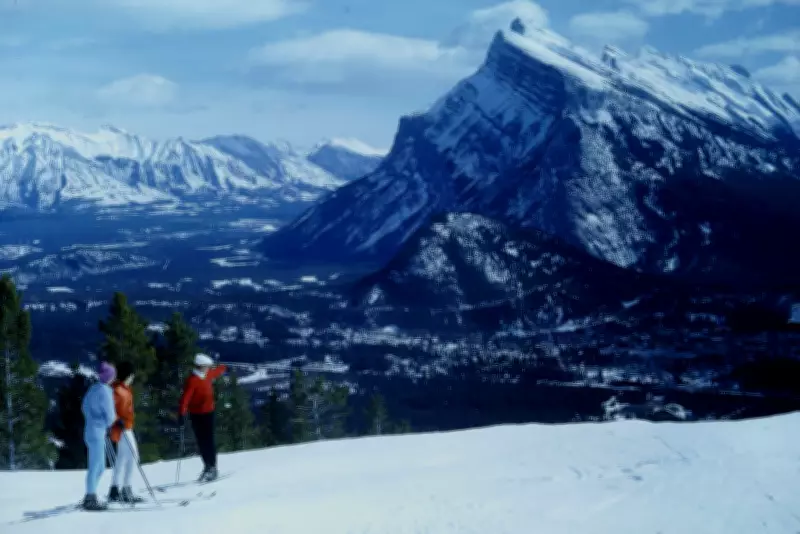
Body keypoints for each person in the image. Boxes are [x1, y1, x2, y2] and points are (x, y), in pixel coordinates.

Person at [178, 353, 227, 482]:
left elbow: (217, 371)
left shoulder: (206, 375)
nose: (209, 369)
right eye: (207, 366)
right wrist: (182, 413)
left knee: (209, 441)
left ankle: (212, 467)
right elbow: (186, 398)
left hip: (208, 413)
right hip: (197, 415)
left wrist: (223, 367)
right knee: (202, 441)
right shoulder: (193, 380)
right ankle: (208, 466)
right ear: (200, 366)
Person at [81, 361, 118, 511]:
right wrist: (111, 422)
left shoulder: (93, 388)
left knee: (100, 466)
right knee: (96, 466)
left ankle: (91, 494)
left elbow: (84, 406)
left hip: (91, 430)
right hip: (98, 431)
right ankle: (90, 497)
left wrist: (92, 418)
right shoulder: (105, 391)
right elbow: (110, 414)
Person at [108, 361, 145, 504]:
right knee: (133, 456)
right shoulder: (117, 390)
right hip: (121, 428)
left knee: (122, 458)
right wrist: (117, 420)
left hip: (126, 426)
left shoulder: (124, 388)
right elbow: (109, 408)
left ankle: (115, 489)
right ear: (127, 375)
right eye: (131, 375)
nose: (133, 378)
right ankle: (126, 489)